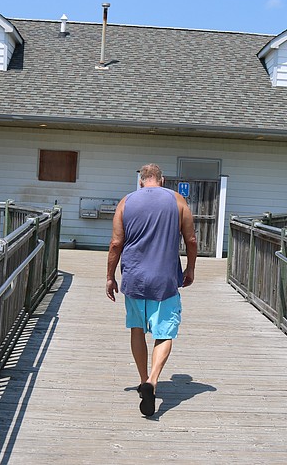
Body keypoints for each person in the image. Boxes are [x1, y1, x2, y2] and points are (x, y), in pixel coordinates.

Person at [106, 163, 197, 417]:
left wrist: (109, 277)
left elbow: (116, 243)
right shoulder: (177, 200)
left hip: (134, 276)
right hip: (165, 279)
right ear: (162, 180)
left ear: (141, 181)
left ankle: (143, 378)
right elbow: (191, 240)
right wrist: (190, 269)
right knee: (164, 333)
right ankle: (153, 381)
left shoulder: (126, 202)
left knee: (137, 329)